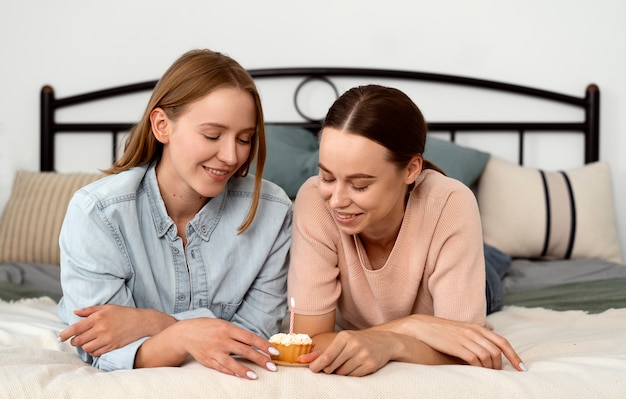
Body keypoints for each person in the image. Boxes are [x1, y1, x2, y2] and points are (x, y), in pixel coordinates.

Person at [57, 49, 292, 380]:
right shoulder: (98, 214)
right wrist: (190, 334)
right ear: (162, 125)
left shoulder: (274, 212)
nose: (231, 156)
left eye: (245, 139)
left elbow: (253, 338)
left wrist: (154, 324)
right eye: (212, 135)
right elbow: (104, 352)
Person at [288, 84, 525, 377]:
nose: (336, 200)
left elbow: (466, 347)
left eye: (360, 184)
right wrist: (411, 326)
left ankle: (494, 257)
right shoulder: (314, 200)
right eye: (326, 176)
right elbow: (307, 341)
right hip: (420, 287)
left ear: (412, 169)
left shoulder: (450, 202)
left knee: (491, 269)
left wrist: (390, 344)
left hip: (470, 272)